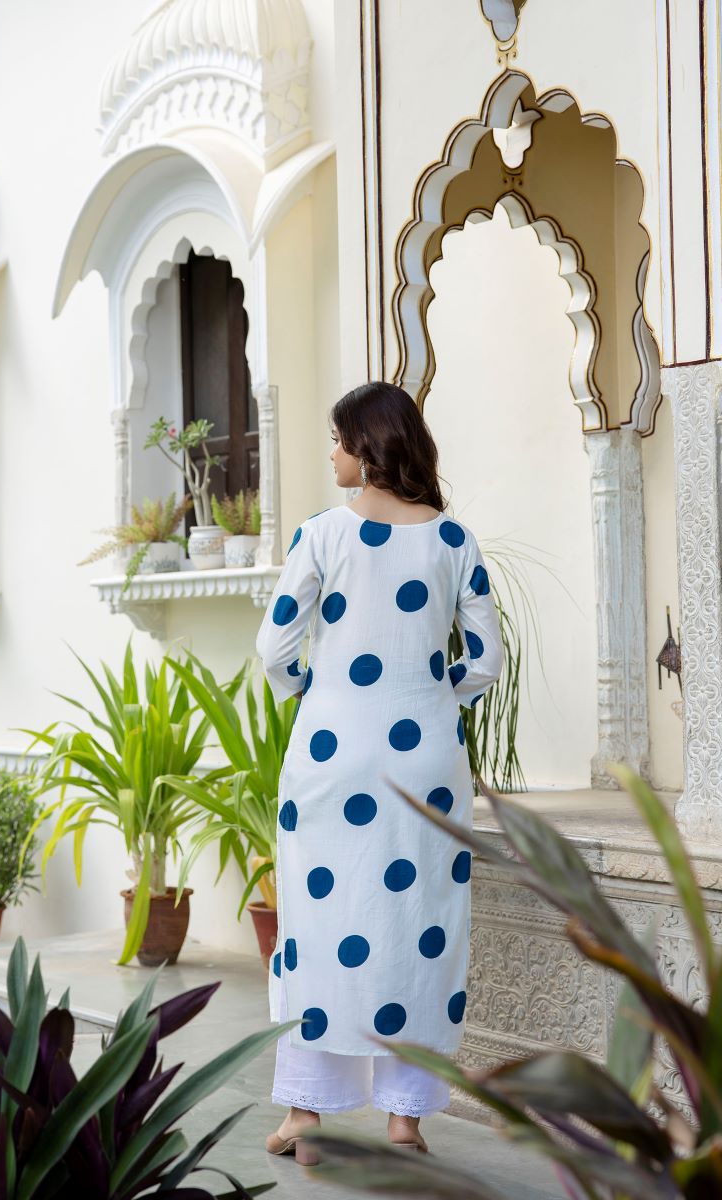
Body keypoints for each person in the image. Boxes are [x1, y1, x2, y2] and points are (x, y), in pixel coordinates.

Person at [255, 381, 503, 1165]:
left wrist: (325, 696)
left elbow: (273, 651)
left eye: (337, 438)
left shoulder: (322, 535)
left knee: (319, 930)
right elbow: (488, 662)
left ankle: (304, 1114)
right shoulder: (453, 542)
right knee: (416, 933)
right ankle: (405, 1120)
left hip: (331, 753)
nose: (331, 451)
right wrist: (430, 697)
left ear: (367, 445)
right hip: (425, 759)